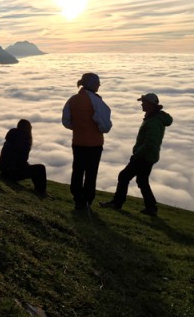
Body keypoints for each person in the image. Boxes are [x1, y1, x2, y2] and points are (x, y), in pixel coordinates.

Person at [100, 93, 173, 216]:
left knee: (124, 176)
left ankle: (117, 203)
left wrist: (137, 154)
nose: (142, 104)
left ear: (150, 105)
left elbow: (150, 143)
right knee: (142, 181)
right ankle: (151, 208)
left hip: (144, 157)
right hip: (149, 156)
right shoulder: (154, 118)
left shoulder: (153, 121)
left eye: (144, 102)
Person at [62, 72, 112, 211]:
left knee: (77, 171)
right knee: (91, 173)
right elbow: (105, 126)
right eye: (97, 83)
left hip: (77, 142)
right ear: (92, 84)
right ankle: (87, 200)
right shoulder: (96, 101)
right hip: (94, 144)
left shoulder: (72, 100)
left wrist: (78, 128)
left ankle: (77, 199)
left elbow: (66, 121)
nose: (99, 86)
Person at [0, 119, 47, 196]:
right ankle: (41, 192)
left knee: (33, 169)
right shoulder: (24, 140)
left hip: (3, 170)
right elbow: (21, 161)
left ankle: (39, 190)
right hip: (12, 173)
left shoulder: (12, 135)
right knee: (40, 168)